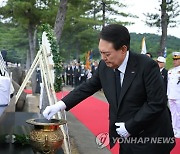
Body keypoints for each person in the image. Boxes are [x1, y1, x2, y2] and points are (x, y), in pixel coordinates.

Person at [43, 24, 175, 154]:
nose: (103, 58)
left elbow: (156, 103)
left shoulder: (146, 66)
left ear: (123, 49)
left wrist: (130, 126)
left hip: (151, 137)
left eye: (107, 54)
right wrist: (60, 104)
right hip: (126, 137)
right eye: (101, 53)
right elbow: (87, 87)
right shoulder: (104, 66)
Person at [167, 52, 180, 138]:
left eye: (176, 60)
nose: (174, 61)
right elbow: (169, 84)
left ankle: (178, 130)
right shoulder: (170, 71)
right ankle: (174, 129)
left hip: (179, 95)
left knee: (179, 114)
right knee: (173, 113)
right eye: (174, 60)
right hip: (171, 95)